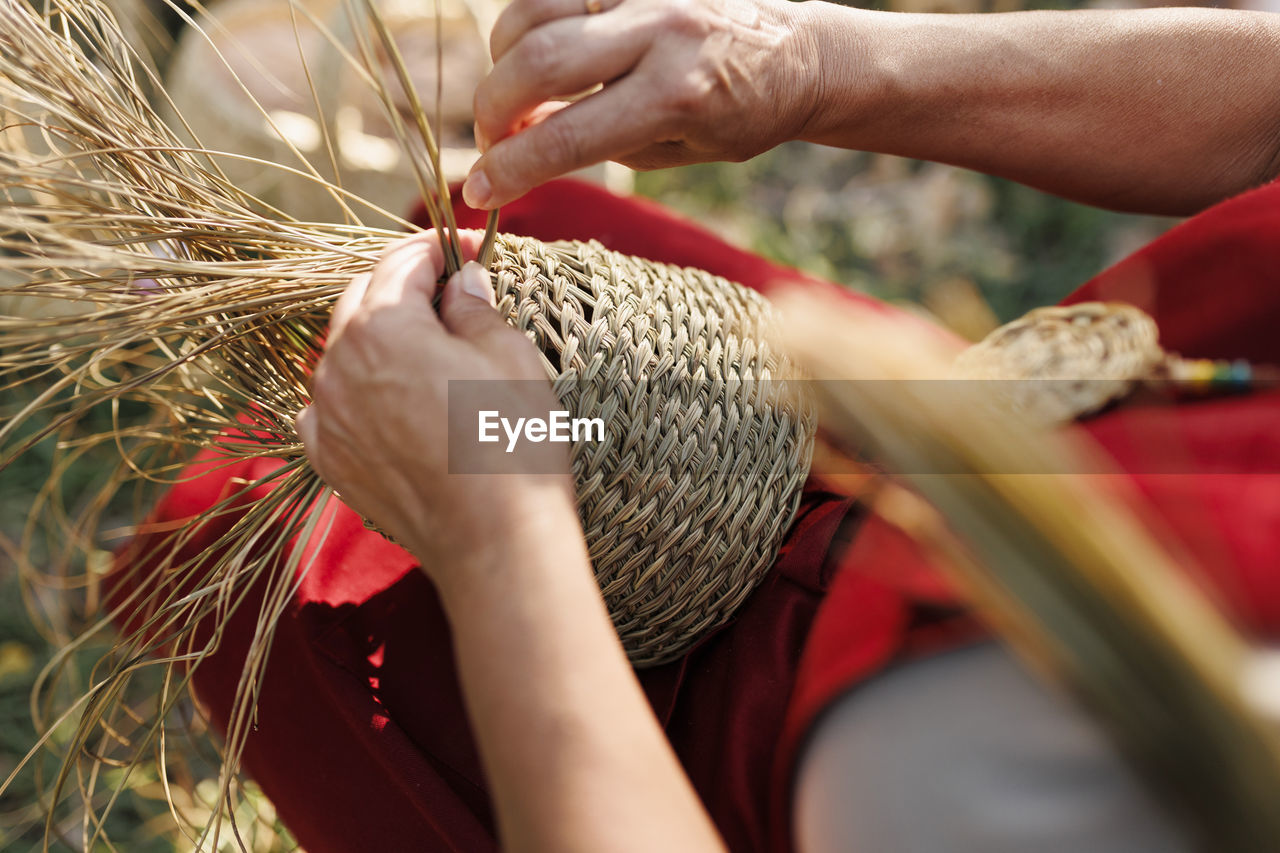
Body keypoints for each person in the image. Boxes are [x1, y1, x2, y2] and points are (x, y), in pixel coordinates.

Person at [121, 2, 1280, 851]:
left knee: (254, 546)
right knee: (516, 230)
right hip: (871, 426)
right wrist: (818, 63)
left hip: (701, 748)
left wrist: (499, 528)